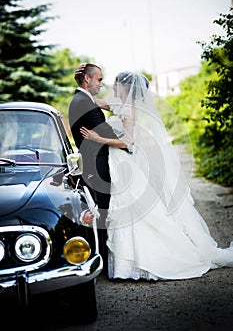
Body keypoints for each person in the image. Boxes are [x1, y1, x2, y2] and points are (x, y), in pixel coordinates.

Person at [80, 70, 233, 281]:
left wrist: (99, 139)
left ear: (125, 87)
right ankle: (126, 265)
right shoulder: (121, 106)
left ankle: (139, 264)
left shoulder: (130, 109)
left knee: (134, 213)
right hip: (118, 164)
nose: (113, 87)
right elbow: (95, 101)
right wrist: (82, 84)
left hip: (124, 163)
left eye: (116, 84)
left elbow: (129, 143)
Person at [68, 63, 128, 275]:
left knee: (102, 211)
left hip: (97, 162)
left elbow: (101, 104)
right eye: (99, 79)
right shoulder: (85, 103)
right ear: (87, 79)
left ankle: (101, 257)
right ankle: (100, 261)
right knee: (101, 212)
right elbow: (112, 135)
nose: (102, 84)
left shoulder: (82, 99)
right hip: (97, 165)